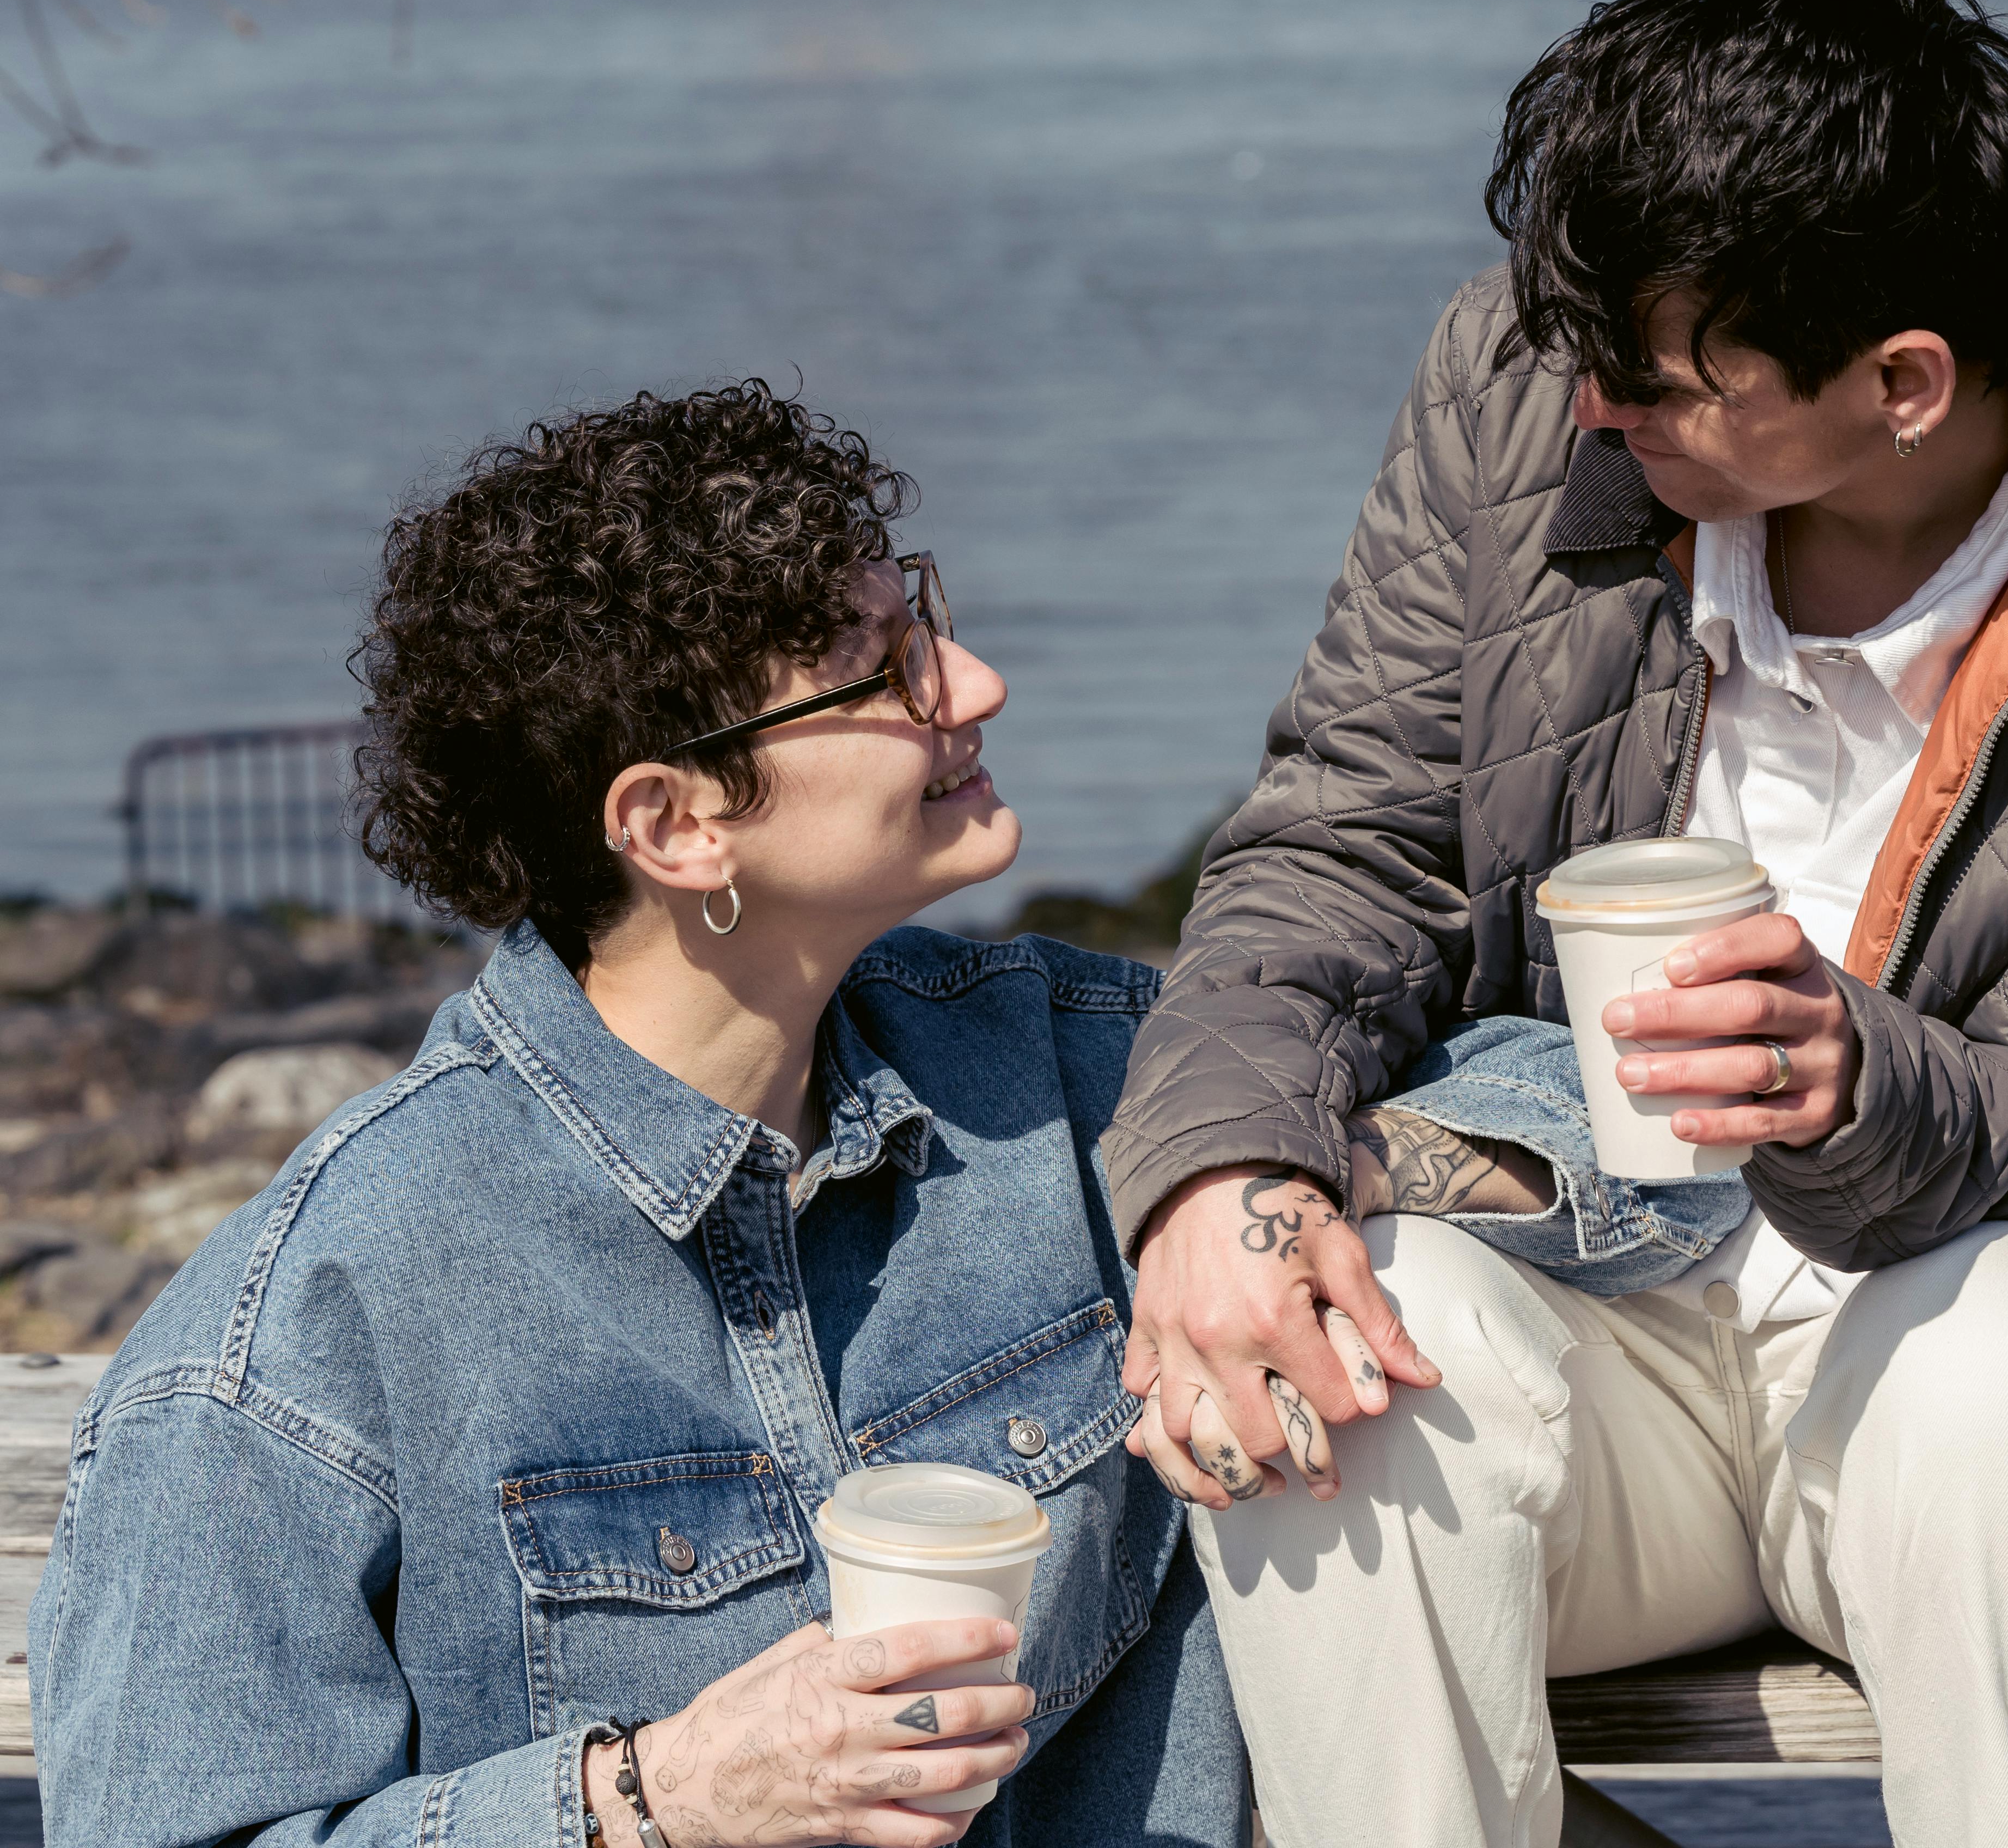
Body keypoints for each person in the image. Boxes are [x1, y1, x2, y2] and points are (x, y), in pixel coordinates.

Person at [1101, 0, 2008, 1847]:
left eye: (1656, 379)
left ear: (1905, 383)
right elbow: (1339, 843)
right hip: (1583, 1311)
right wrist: (1226, 1177)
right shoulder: (1522, 396)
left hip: (1964, 1349)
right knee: (1324, 1374)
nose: (1594, 407)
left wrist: (1848, 1082)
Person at [32, 386, 1249, 1848]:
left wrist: (1289, 1177)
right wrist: (654, 1798)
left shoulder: (1067, 1069)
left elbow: (1467, 1070)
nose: (973, 684)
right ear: (676, 826)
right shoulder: (312, 1322)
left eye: (925, 621)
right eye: (882, 673)